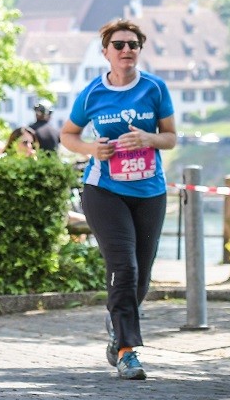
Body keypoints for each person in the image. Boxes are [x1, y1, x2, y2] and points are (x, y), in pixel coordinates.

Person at [59, 19, 176, 381]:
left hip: (149, 192)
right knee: (123, 267)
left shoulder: (155, 89)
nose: (127, 50)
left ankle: (117, 326)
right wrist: (92, 148)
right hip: (104, 191)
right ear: (106, 51)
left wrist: (148, 139)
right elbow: (68, 134)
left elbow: (170, 138)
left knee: (141, 275)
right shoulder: (93, 93)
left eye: (133, 45)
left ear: (139, 51)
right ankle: (127, 350)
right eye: (119, 45)